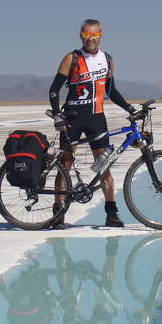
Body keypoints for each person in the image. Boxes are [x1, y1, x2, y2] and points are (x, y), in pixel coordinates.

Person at [48, 19, 136, 229]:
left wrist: (129, 108)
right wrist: (57, 115)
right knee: (65, 165)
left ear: (101, 35)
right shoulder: (72, 58)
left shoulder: (107, 59)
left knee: (104, 166)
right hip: (73, 118)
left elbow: (111, 91)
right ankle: (58, 213)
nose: (91, 39)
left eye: (94, 35)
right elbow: (54, 90)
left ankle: (111, 214)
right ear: (81, 35)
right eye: (87, 35)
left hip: (97, 118)